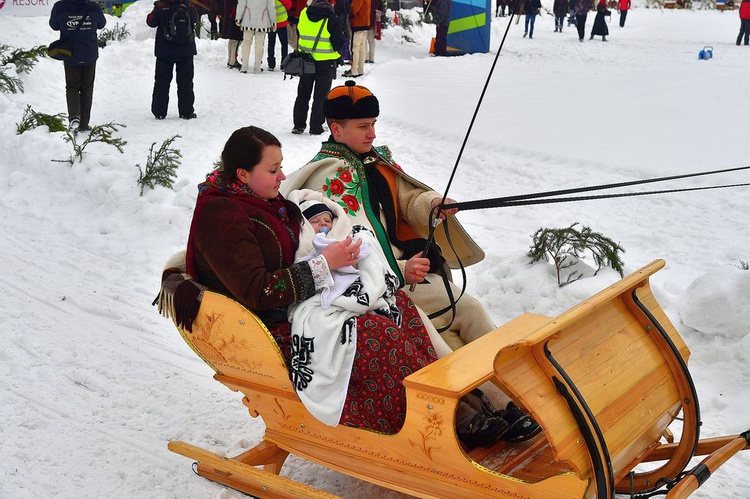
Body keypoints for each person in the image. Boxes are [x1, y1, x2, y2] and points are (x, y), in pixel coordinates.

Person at [179, 126, 517, 445]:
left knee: (399, 310)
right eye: (273, 170)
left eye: (281, 168)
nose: (282, 177)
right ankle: (434, 426)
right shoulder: (221, 215)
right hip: (272, 324)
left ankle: (463, 406)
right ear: (242, 174)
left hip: (305, 302)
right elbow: (257, 291)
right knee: (375, 335)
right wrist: (325, 264)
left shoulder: (260, 198)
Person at [281, 83, 543, 443]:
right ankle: (488, 405)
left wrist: (433, 204)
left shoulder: (373, 159)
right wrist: (400, 271)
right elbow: (352, 243)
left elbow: (406, 199)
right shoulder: (328, 175)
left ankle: (517, 392)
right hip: (376, 287)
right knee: (448, 324)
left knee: (469, 310)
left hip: (403, 274)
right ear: (336, 128)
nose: (372, 133)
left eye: (373, 123)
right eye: (362, 126)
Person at [49, 0, 107, 135]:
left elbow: (54, 25)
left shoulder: (60, 6)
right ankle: (84, 124)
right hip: (89, 54)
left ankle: (74, 117)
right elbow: (101, 24)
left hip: (70, 54)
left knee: (72, 86)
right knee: (87, 87)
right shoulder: (94, 7)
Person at [291, 0, 344, 136]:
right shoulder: (332, 19)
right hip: (325, 63)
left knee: (303, 94)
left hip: (306, 60)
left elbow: (299, 32)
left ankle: (298, 125)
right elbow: (338, 43)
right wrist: (337, 54)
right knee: (321, 96)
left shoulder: (303, 13)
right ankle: (316, 127)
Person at [146, 0, 199, 120]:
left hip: (164, 50)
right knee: (186, 82)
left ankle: (159, 111)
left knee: (162, 81)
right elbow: (195, 19)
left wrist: (156, 9)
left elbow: (151, 22)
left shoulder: (161, 5)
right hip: (186, 50)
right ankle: (186, 112)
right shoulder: (188, 4)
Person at [236, 0, 276, 74]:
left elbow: (241, 4)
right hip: (262, 21)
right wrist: (273, 21)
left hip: (248, 20)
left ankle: (244, 66)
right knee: (259, 45)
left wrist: (238, 17)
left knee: (246, 43)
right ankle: (257, 68)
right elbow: (271, 7)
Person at [343, 0, 370, 77]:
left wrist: (348, 9)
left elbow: (353, 9)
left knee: (355, 48)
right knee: (362, 48)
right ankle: (360, 69)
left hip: (358, 24)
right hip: (365, 23)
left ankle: (354, 70)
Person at [268, 0, 291, 71]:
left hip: (271, 23)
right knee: (284, 44)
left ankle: (271, 64)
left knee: (271, 43)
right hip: (282, 23)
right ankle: (284, 64)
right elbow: (289, 5)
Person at [221, 0, 244, 69]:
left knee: (232, 40)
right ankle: (233, 61)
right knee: (237, 40)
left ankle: (230, 60)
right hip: (235, 17)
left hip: (229, 16)